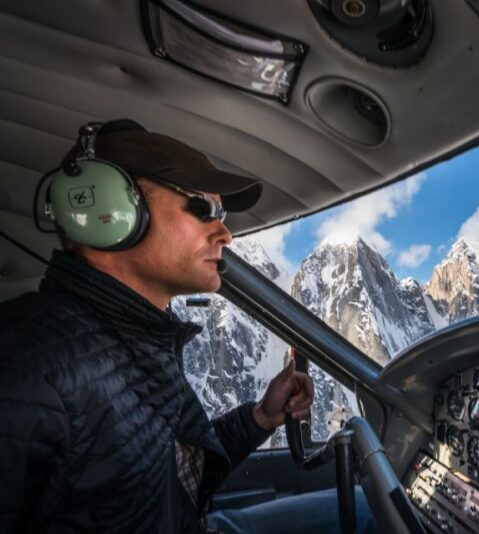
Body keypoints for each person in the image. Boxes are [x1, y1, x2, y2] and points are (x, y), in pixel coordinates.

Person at [0, 120, 375, 533]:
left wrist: (261, 417)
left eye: (223, 213)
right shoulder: (27, 366)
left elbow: (174, 472)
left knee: (370, 507)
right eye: (202, 209)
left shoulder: (136, 336)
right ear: (109, 213)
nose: (226, 233)